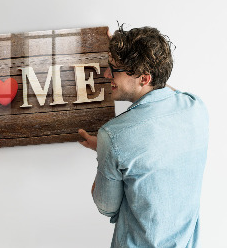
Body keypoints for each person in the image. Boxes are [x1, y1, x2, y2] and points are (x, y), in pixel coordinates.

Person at [78, 25, 209, 247]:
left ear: (144, 78)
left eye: (114, 69)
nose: (106, 74)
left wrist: (105, 150)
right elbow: (162, 88)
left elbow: (106, 207)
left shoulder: (113, 135)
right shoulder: (196, 107)